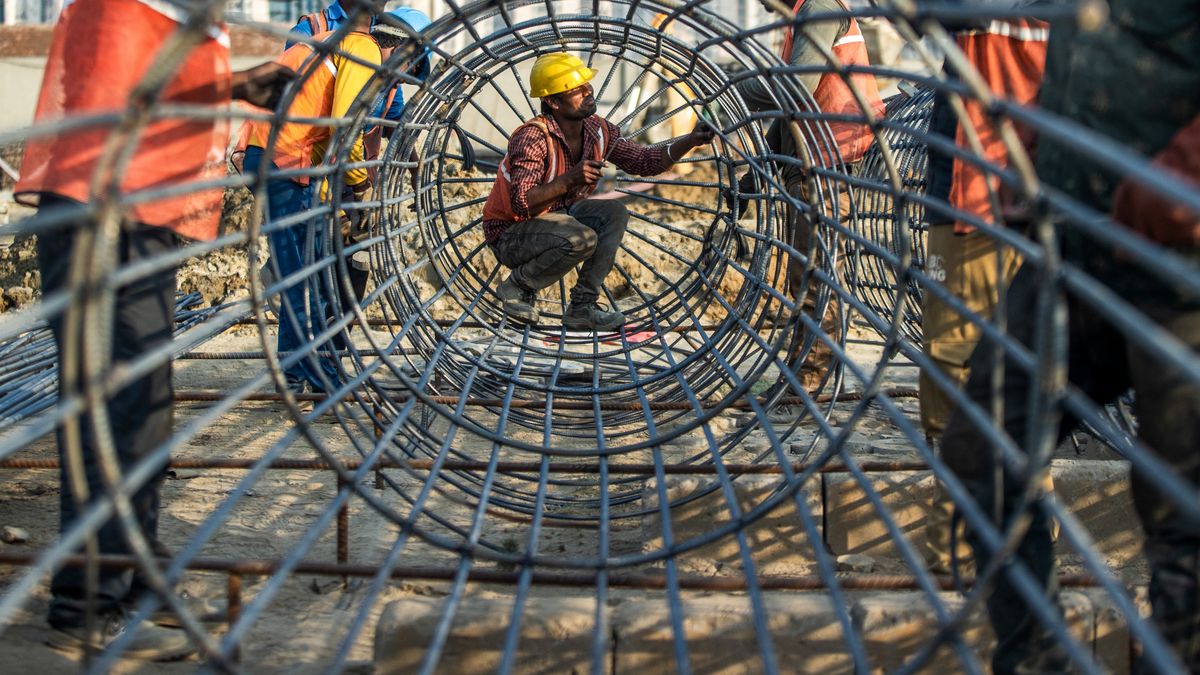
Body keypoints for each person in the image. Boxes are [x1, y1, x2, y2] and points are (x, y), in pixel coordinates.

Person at [13, 0, 291, 660]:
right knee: (112, 409)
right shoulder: (115, 6)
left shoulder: (172, 14)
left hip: (139, 215)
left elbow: (153, 87)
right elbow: (116, 98)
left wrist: (240, 86)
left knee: (146, 407)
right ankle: (85, 604)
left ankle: (131, 573)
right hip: (101, 216)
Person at [938, 0, 1200, 672]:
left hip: (1177, 268)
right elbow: (1084, 57)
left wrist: (1182, 174)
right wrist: (1038, 151)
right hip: (1071, 253)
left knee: (1185, 516)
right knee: (985, 441)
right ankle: (1036, 656)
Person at [916, 2, 1050, 574]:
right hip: (1024, 199)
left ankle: (968, 552)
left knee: (957, 374)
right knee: (1019, 376)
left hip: (981, 199)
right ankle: (1019, 541)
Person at [481, 52, 714, 330]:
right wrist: (570, 179)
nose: (587, 91)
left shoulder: (597, 130)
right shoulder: (533, 137)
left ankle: (582, 306)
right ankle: (517, 287)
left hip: (559, 219)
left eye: (586, 84)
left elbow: (644, 162)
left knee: (613, 212)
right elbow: (522, 204)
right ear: (553, 102)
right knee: (582, 237)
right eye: (575, 89)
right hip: (512, 235)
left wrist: (690, 140)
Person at [242, 8, 401, 394]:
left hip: (277, 156)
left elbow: (326, 134)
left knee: (306, 268)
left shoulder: (333, 44)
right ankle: (311, 374)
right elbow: (346, 130)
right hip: (285, 160)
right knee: (305, 275)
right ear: (394, 46)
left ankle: (298, 373)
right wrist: (361, 188)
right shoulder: (361, 49)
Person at [734, 0, 885, 395]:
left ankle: (808, 381)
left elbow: (794, 87)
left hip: (824, 164)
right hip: (811, 160)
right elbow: (791, 111)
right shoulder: (803, 14)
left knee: (817, 275)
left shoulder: (817, 7)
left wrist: (731, 88)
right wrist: (756, 174)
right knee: (805, 274)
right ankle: (803, 371)